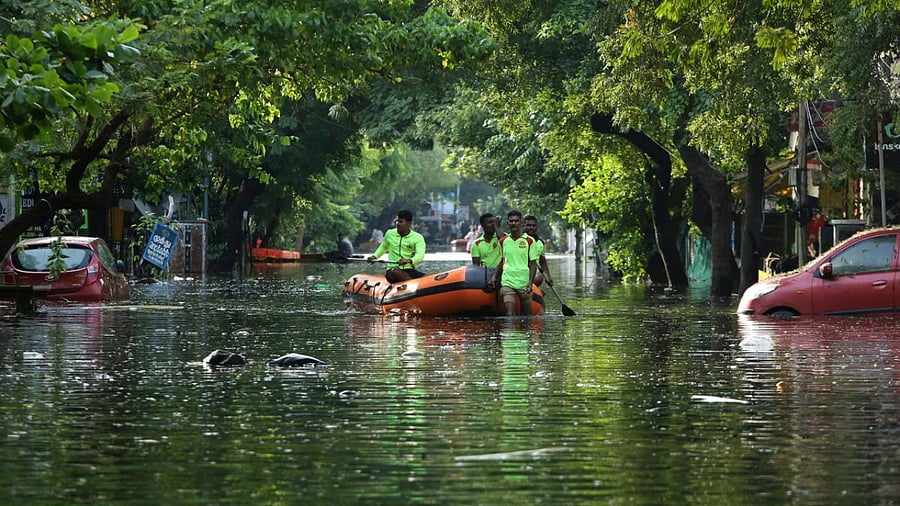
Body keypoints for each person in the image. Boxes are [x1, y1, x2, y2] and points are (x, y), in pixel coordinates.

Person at [490, 210, 539, 316]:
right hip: (507, 281)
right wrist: (495, 276)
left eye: (516, 221)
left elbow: (533, 264)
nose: (513, 223)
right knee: (510, 313)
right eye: (511, 221)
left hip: (523, 282)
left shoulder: (530, 241)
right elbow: (502, 260)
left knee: (527, 316)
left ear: (521, 223)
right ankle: (509, 332)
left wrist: (530, 282)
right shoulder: (503, 241)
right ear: (508, 223)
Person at [369, 209, 426, 283]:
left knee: (427, 278)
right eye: (397, 221)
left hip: (409, 269)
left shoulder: (417, 237)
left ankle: (418, 287)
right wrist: (374, 257)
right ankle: (414, 286)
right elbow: (384, 247)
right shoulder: (390, 233)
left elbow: (420, 255)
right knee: (395, 272)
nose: (397, 224)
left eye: (401, 221)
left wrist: (409, 260)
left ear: (409, 223)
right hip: (392, 270)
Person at [523, 215, 554, 288]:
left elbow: (542, 261)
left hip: (534, 275)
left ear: (536, 227)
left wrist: (548, 277)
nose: (531, 227)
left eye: (533, 226)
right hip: (519, 274)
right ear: (523, 225)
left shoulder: (540, 243)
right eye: (528, 225)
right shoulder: (518, 239)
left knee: (539, 277)